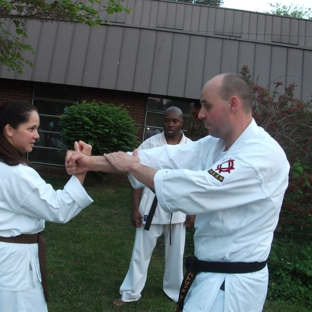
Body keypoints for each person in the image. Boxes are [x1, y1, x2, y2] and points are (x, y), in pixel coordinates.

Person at [65, 73, 290, 312]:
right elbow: (162, 158)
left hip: (232, 286)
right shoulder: (215, 145)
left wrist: (131, 166)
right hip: (211, 275)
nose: (200, 114)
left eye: (207, 106)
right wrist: (88, 163)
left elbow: (197, 190)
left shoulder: (260, 155)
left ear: (233, 104)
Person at [0, 101, 93, 312]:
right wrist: (82, 168)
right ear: (9, 130)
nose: (37, 135)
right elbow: (58, 209)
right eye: (31, 128)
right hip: (14, 265)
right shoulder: (15, 173)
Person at [113, 106, 195, 306]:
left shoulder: (190, 147)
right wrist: (135, 208)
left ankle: (175, 292)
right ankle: (131, 292)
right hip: (151, 205)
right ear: (163, 122)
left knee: (176, 255)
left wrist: (192, 212)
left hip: (178, 208)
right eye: (167, 120)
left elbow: (194, 181)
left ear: (181, 122)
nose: (170, 124)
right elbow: (135, 173)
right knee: (140, 252)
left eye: (175, 121)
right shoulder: (150, 144)